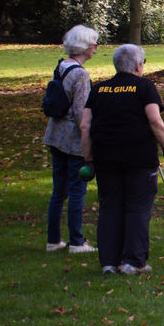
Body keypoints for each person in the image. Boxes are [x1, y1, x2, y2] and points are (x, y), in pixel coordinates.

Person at [79, 44, 164, 275]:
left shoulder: (99, 89)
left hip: (106, 158)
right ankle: (133, 262)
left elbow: (85, 125)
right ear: (138, 65)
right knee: (137, 208)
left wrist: (88, 159)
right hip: (139, 159)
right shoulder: (145, 87)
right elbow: (155, 121)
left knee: (109, 207)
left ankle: (108, 262)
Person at [42, 24, 100, 253]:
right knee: (77, 190)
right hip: (72, 140)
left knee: (59, 191)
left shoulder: (62, 66)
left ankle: (53, 240)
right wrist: (90, 142)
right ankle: (77, 241)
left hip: (55, 135)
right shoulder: (80, 74)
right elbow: (81, 113)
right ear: (84, 46)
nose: (96, 47)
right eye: (93, 43)